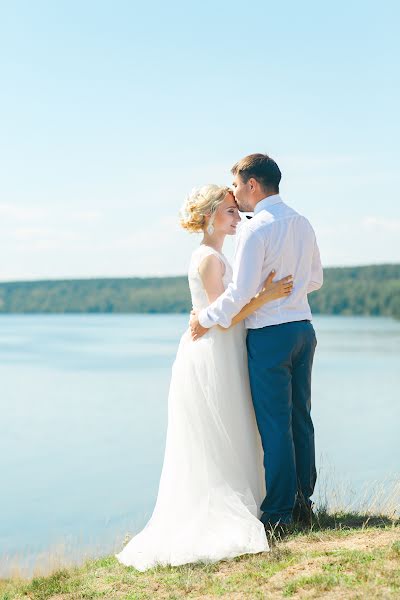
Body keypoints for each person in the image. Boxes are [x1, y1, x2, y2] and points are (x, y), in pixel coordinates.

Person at [116, 184, 293, 570]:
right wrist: (267, 295)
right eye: (230, 211)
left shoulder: (213, 255)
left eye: (235, 210)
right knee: (222, 430)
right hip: (215, 353)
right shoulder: (209, 259)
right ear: (210, 216)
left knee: (232, 427)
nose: (236, 218)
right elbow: (222, 317)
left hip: (221, 348)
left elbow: (217, 312)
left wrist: (259, 292)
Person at [190, 154, 323, 531]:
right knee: (302, 418)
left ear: (251, 185)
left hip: (268, 335)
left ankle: (279, 514)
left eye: (235, 185)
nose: (233, 193)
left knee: (275, 425)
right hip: (303, 329)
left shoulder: (255, 228)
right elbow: (314, 280)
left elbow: (238, 293)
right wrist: (289, 296)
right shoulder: (302, 221)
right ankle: (303, 503)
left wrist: (205, 317)